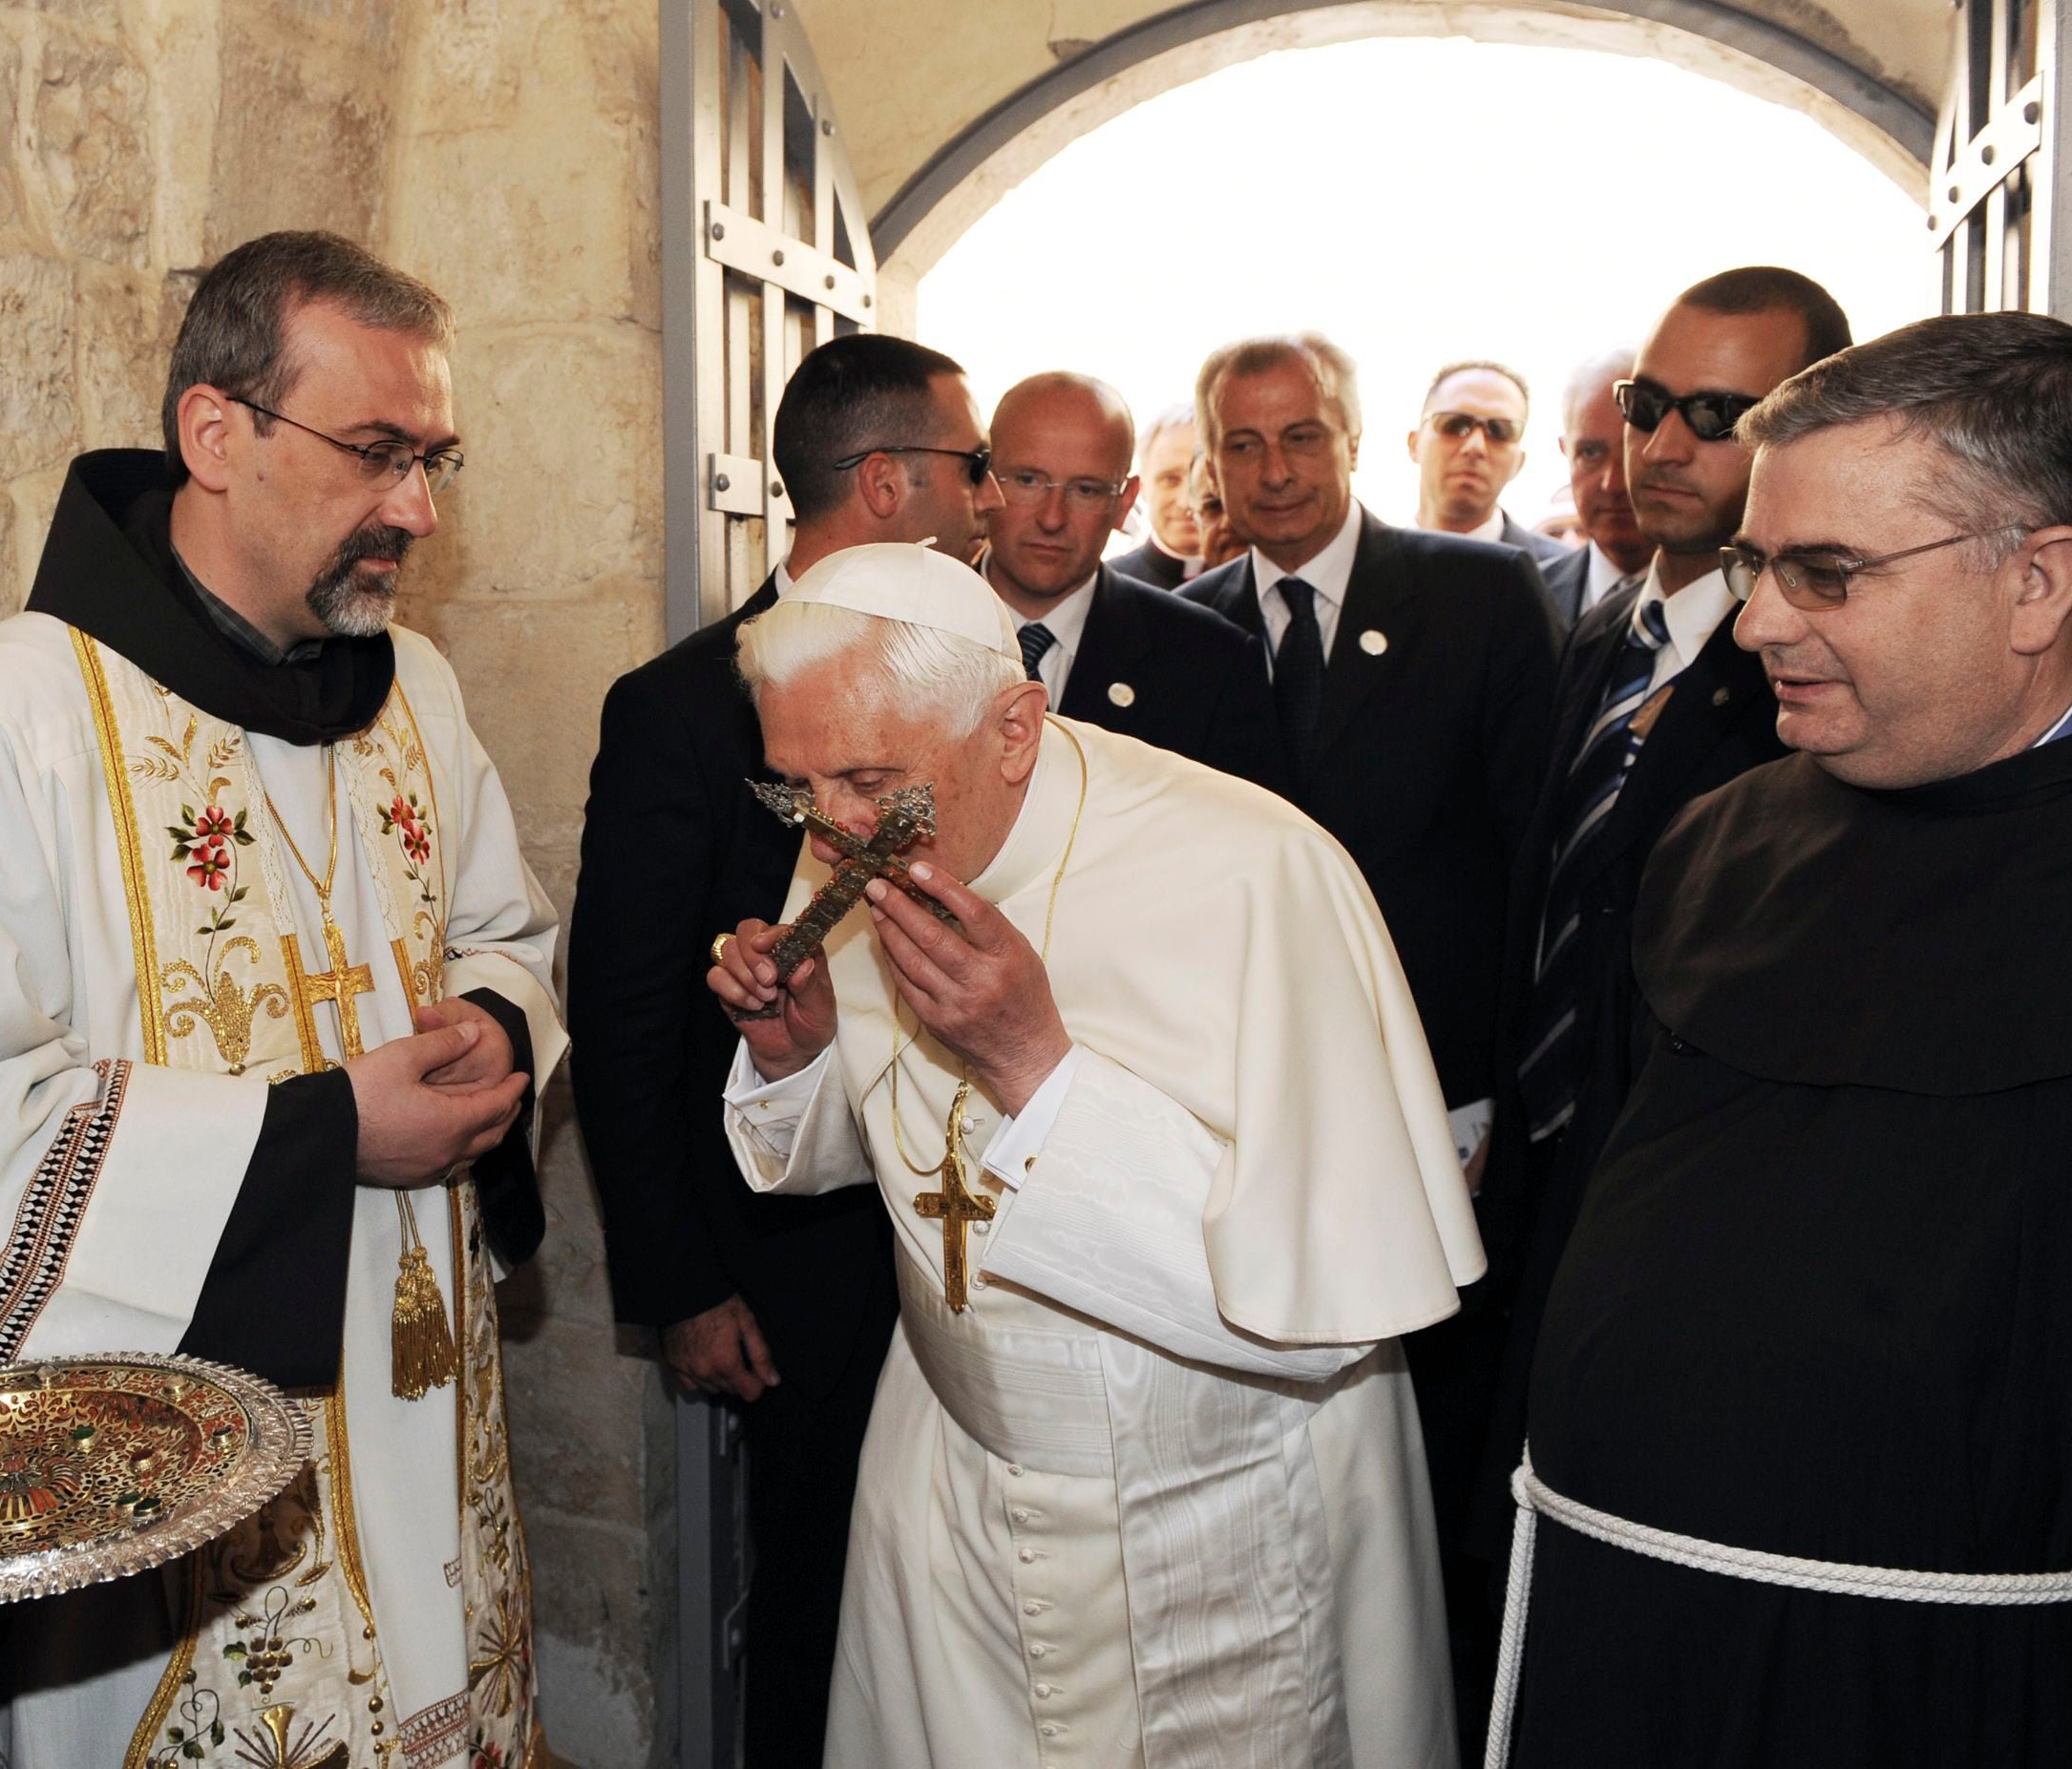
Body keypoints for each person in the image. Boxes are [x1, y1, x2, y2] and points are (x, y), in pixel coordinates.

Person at [0, 231, 563, 1767]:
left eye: (433, 460)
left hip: (419, 1375)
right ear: (214, 432)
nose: (416, 510)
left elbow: (503, 928)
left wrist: (497, 1022)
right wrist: (319, 1134)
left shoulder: (412, 688)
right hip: (178, 1458)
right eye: (376, 453)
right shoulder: (11, 720)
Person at [707, 541, 1481, 1768]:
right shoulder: (854, 830)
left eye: (868, 780)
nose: (835, 833)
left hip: (1205, 1516)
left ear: (1014, 725)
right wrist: (802, 1053)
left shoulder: (1255, 871)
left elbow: (1325, 1312)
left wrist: (1032, 1060)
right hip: (946, 1480)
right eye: (797, 788)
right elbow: (899, 1153)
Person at [1494, 310, 2072, 1766]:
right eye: (1762, 566)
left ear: (2039, 582)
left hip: (1945, 1678)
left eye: (1826, 573)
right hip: (1616, 1617)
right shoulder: (1717, 838)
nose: (1756, 619)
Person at [571, 329, 992, 1765]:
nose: (989, 502)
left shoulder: (976, 677)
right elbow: (626, 1009)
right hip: (796, 1268)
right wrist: (681, 1280)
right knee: (818, 1592)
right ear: (884, 482)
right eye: (971, 467)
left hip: (979, 1238)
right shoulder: (682, 704)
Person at [1183, 331, 1558, 1740]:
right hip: (1244, 1111)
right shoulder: (1178, 617)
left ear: (1350, 439)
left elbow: (1532, 866)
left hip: (1438, 1112)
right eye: (1242, 444)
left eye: (1301, 439)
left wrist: (1492, 1106)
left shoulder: (1478, 594)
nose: (1272, 472)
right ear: (1214, 457)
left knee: (1433, 1448)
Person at [1467, 268, 1845, 1584]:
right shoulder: (1597, 638)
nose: (1665, 443)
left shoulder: (1812, 684)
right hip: (1531, 1200)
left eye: (1716, 412)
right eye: (1648, 402)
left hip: (1689, 1237)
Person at [978, 371, 1281, 788]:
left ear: (1124, 503)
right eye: (1028, 480)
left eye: (1086, 490)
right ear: (984, 483)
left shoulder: (1211, 664)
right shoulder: (902, 628)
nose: (1052, 518)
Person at [1408, 361, 1570, 567]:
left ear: (1519, 463)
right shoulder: (1367, 564)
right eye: (1454, 424)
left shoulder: (1560, 577)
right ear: (1414, 444)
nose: (1476, 447)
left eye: (1500, 430)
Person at [1539, 346, 1657, 627]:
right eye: (1591, 452)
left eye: (1633, 453)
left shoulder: (1739, 603)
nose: (1613, 483)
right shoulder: (1522, 600)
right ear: (1565, 451)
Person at [1112, 401, 1201, 586]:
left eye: (1203, 481)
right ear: (1142, 487)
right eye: (1170, 480)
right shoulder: (1104, 588)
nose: (1186, 502)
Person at [1185, 452, 1246, 574]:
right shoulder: (1184, 593)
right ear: (1195, 520)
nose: (1229, 521)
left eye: (1242, 502)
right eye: (1214, 506)